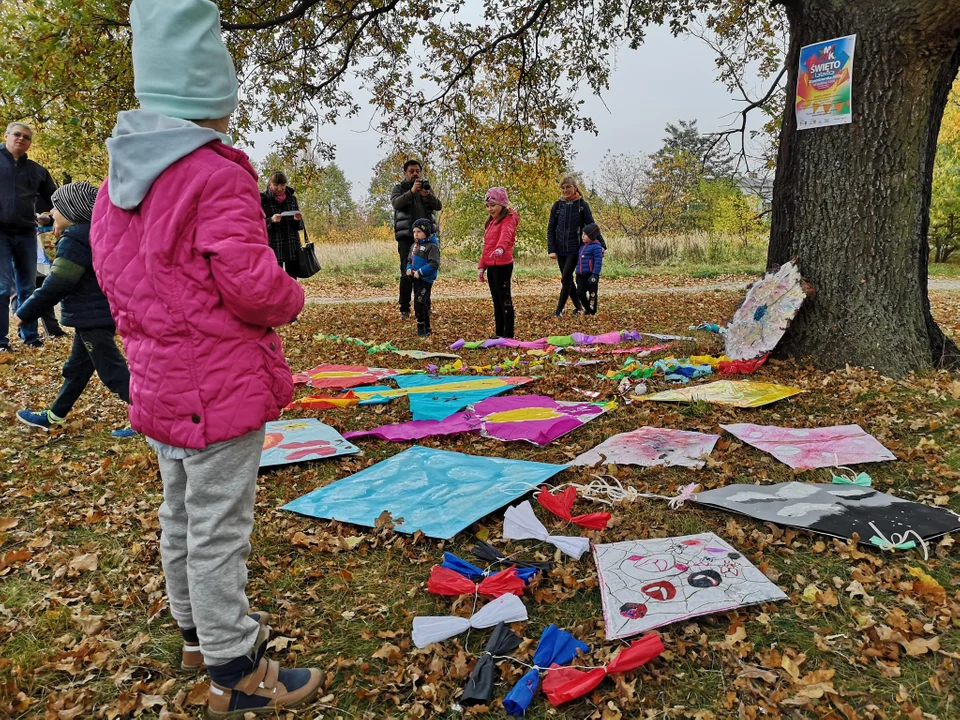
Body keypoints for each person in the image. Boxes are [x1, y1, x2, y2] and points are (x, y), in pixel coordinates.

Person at [89, 0, 320, 716]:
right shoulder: (213, 175)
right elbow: (251, 284)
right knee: (220, 525)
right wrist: (290, 297)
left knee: (180, 512)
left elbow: (113, 273)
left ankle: (194, 632)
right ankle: (235, 668)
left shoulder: (114, 184)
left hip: (158, 382)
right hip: (216, 387)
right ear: (207, 99)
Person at [14, 182, 133, 437]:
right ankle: (54, 416)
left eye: (56, 207)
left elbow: (59, 282)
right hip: (92, 315)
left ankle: (150, 416)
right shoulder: (92, 233)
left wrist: (25, 312)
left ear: (72, 209)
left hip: (93, 316)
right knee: (77, 369)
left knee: (112, 370)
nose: (52, 212)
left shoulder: (76, 237)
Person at [1, 121, 57, 351]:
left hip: (26, 233)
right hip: (0, 233)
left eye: (26, 137)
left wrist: (48, 217)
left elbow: (56, 199)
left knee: (28, 288)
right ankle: (1, 342)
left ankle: (31, 336)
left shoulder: (37, 170)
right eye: (17, 134)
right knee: (2, 287)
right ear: (6, 135)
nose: (21, 139)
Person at [391, 159, 441, 318]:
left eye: (417, 171)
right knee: (407, 273)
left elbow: (438, 206)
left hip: (427, 240)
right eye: (411, 171)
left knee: (426, 272)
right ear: (405, 173)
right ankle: (404, 309)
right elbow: (397, 204)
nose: (415, 174)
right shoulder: (399, 189)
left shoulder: (425, 188)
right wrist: (412, 192)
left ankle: (425, 306)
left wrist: (428, 195)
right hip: (407, 238)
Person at [547, 176, 595, 317]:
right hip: (560, 248)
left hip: (576, 248)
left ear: (575, 187)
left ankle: (559, 310)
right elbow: (551, 229)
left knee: (565, 278)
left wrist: (601, 245)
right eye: (563, 188)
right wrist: (552, 249)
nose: (565, 190)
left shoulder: (582, 205)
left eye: (568, 187)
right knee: (568, 280)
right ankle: (579, 307)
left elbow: (592, 226)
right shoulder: (557, 206)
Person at [478, 187, 518, 339]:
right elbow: (487, 246)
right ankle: (499, 332)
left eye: (493, 205)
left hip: (503, 265)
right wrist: (482, 266)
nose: (490, 209)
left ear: (502, 204)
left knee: (504, 299)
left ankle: (508, 334)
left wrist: (501, 249)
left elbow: (505, 236)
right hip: (492, 266)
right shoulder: (490, 223)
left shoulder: (508, 219)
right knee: (496, 300)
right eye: (487, 206)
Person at [259, 171, 304, 277]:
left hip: (291, 245)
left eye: (282, 185)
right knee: (274, 278)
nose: (279, 188)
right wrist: (271, 220)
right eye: (276, 185)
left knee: (292, 278)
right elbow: (257, 224)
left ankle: (292, 294)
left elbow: (299, 226)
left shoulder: (292, 199)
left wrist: (297, 220)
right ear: (270, 184)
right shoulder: (263, 200)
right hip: (273, 245)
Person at [405, 218, 440, 337]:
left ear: (426, 232)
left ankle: (421, 327)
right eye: (414, 232)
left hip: (426, 280)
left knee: (419, 301)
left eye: (419, 231)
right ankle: (427, 327)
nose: (416, 234)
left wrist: (420, 272)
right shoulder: (414, 246)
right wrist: (409, 269)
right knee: (421, 303)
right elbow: (409, 260)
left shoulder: (432, 247)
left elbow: (434, 264)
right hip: (415, 279)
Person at [576, 222, 605, 315]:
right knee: (580, 293)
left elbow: (598, 261)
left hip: (591, 275)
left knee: (592, 295)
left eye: (585, 235)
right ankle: (587, 308)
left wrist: (595, 274)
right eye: (582, 234)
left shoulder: (596, 247)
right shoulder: (582, 246)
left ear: (591, 236)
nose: (582, 236)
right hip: (580, 275)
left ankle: (592, 310)